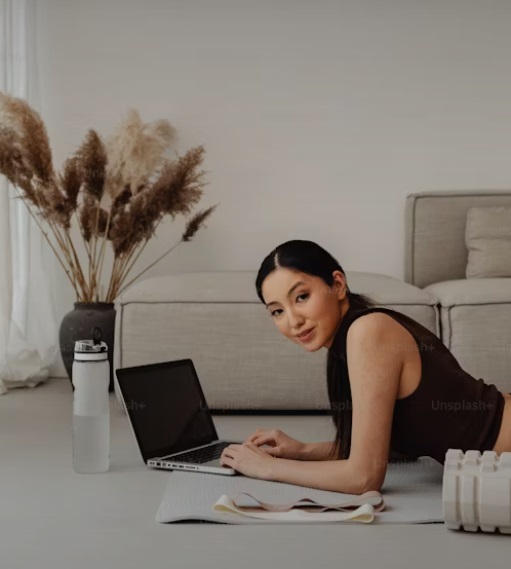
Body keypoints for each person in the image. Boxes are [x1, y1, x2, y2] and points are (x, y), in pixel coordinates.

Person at [219, 240, 511, 494]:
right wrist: (303, 450)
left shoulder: (367, 331)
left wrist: (267, 468)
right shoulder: (347, 344)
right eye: (278, 311)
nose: (293, 320)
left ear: (337, 284)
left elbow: (363, 477)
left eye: (302, 297)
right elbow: (380, 448)